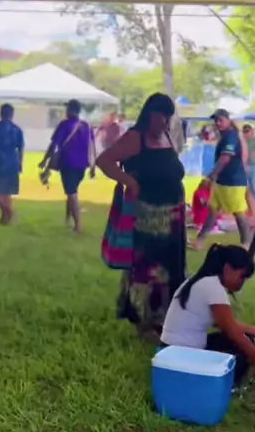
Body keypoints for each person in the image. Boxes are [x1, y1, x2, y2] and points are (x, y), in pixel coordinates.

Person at [96, 93, 186, 339]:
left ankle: (165, 319)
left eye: (168, 117)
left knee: (171, 268)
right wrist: (130, 182)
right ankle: (144, 322)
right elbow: (104, 161)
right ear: (149, 115)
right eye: (160, 116)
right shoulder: (135, 138)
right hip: (147, 218)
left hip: (173, 217)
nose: (164, 122)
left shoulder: (167, 136)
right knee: (147, 270)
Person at [162, 244, 255, 390]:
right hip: (183, 357)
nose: (242, 283)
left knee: (244, 339)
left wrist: (253, 330)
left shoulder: (200, 280)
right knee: (241, 348)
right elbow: (235, 334)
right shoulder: (213, 288)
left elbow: (223, 322)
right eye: (242, 276)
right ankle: (228, 386)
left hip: (171, 350)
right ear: (227, 268)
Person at [191, 109, 249, 250]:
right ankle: (199, 240)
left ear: (228, 120)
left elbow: (225, 158)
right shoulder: (225, 136)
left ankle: (246, 243)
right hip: (221, 181)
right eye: (216, 120)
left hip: (233, 182)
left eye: (221, 120)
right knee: (213, 211)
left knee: (238, 212)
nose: (218, 123)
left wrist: (212, 175)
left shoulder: (231, 136)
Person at [39, 99, 96, 234]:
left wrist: (45, 160)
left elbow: (54, 145)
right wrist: (93, 166)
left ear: (70, 110)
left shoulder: (64, 125)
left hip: (68, 162)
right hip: (83, 164)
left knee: (71, 192)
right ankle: (68, 219)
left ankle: (78, 225)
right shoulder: (87, 126)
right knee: (72, 190)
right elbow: (92, 147)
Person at [242, 124, 255, 219]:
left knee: (253, 186)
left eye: (247, 131)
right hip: (244, 166)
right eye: (244, 131)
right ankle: (249, 207)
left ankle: (253, 208)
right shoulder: (242, 141)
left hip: (254, 165)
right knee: (244, 187)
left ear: (251, 132)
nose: (246, 133)